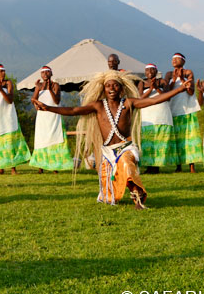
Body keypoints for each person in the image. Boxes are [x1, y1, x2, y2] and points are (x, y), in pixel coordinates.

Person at [33, 70, 192, 209]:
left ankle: (138, 197)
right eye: (108, 86)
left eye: (115, 85)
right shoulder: (98, 106)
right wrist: (48, 108)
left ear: (122, 89)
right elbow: (74, 110)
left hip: (126, 147)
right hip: (107, 152)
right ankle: (128, 192)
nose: (111, 89)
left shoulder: (129, 103)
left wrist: (179, 89)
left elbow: (153, 100)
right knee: (109, 198)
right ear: (104, 89)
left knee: (126, 164)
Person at [0, 64, 31, 174]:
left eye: (4, 71)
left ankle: (13, 168)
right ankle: (1, 168)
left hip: (7, 116)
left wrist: (1, 89)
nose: (3, 73)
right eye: (1, 71)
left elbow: (10, 100)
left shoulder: (8, 83)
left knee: (10, 141)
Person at [29, 66, 73, 174]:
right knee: (41, 139)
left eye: (47, 72)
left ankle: (55, 167)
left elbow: (57, 101)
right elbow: (33, 99)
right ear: (41, 75)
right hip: (42, 117)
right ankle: (41, 167)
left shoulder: (55, 85)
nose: (45, 74)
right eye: (43, 72)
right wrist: (36, 104)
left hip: (54, 115)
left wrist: (49, 90)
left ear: (51, 74)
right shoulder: (38, 86)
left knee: (55, 138)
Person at [137, 63, 178, 174]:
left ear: (156, 71)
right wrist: (151, 89)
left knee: (160, 140)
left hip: (161, 114)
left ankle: (157, 167)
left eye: (152, 70)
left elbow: (167, 98)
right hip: (147, 114)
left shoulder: (163, 82)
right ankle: (149, 166)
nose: (149, 72)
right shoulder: (142, 82)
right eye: (147, 70)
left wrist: (156, 88)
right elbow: (140, 99)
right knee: (148, 140)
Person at [164, 53, 202, 173]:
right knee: (177, 139)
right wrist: (174, 79)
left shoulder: (188, 72)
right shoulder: (169, 74)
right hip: (173, 109)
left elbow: (191, 92)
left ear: (183, 61)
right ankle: (178, 166)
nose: (174, 60)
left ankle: (192, 166)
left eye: (176, 58)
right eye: (172, 59)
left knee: (190, 139)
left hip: (188, 110)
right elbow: (166, 91)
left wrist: (181, 78)